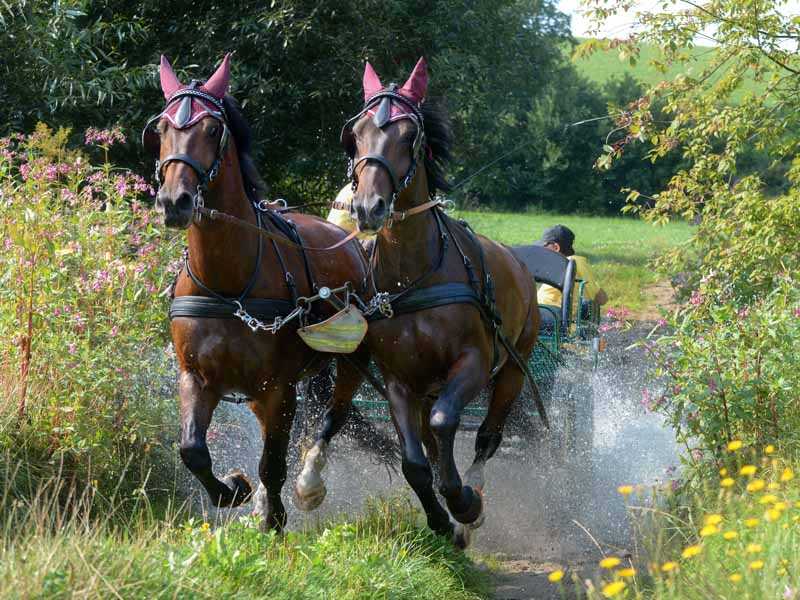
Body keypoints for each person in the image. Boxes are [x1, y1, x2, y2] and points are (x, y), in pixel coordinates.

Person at [535, 225, 607, 319]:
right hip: (546, 312)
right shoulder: (571, 264)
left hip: (546, 313)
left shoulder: (572, 262)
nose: (542, 252)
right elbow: (602, 299)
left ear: (556, 247)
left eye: (544, 247)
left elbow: (600, 299)